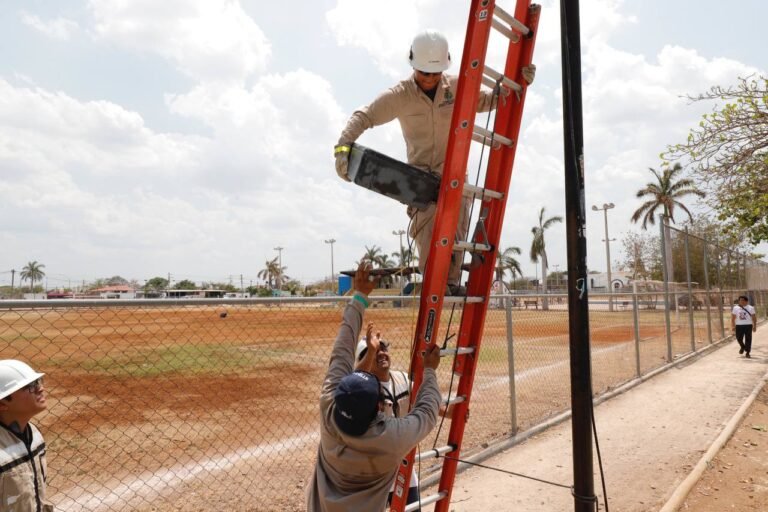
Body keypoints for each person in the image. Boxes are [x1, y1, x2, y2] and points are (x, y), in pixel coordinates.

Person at [334, 30, 535, 296]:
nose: (429, 79)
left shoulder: (457, 87)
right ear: (412, 64)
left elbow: (489, 100)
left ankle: (450, 284)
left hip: (454, 176)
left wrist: (519, 82)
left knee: (457, 235)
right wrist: (343, 147)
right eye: (423, 73)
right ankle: (435, 287)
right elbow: (365, 115)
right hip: (419, 181)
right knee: (428, 236)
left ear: (445, 65)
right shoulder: (400, 95)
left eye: (435, 73)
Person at [306, 262, 442, 512]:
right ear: (380, 406)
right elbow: (428, 412)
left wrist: (358, 296)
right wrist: (430, 370)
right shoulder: (389, 437)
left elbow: (341, 352)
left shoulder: (329, 410)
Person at [0, 359, 54, 512]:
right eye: (29, 387)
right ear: (2, 404)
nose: (40, 388)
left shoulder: (34, 433)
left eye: (38, 381)